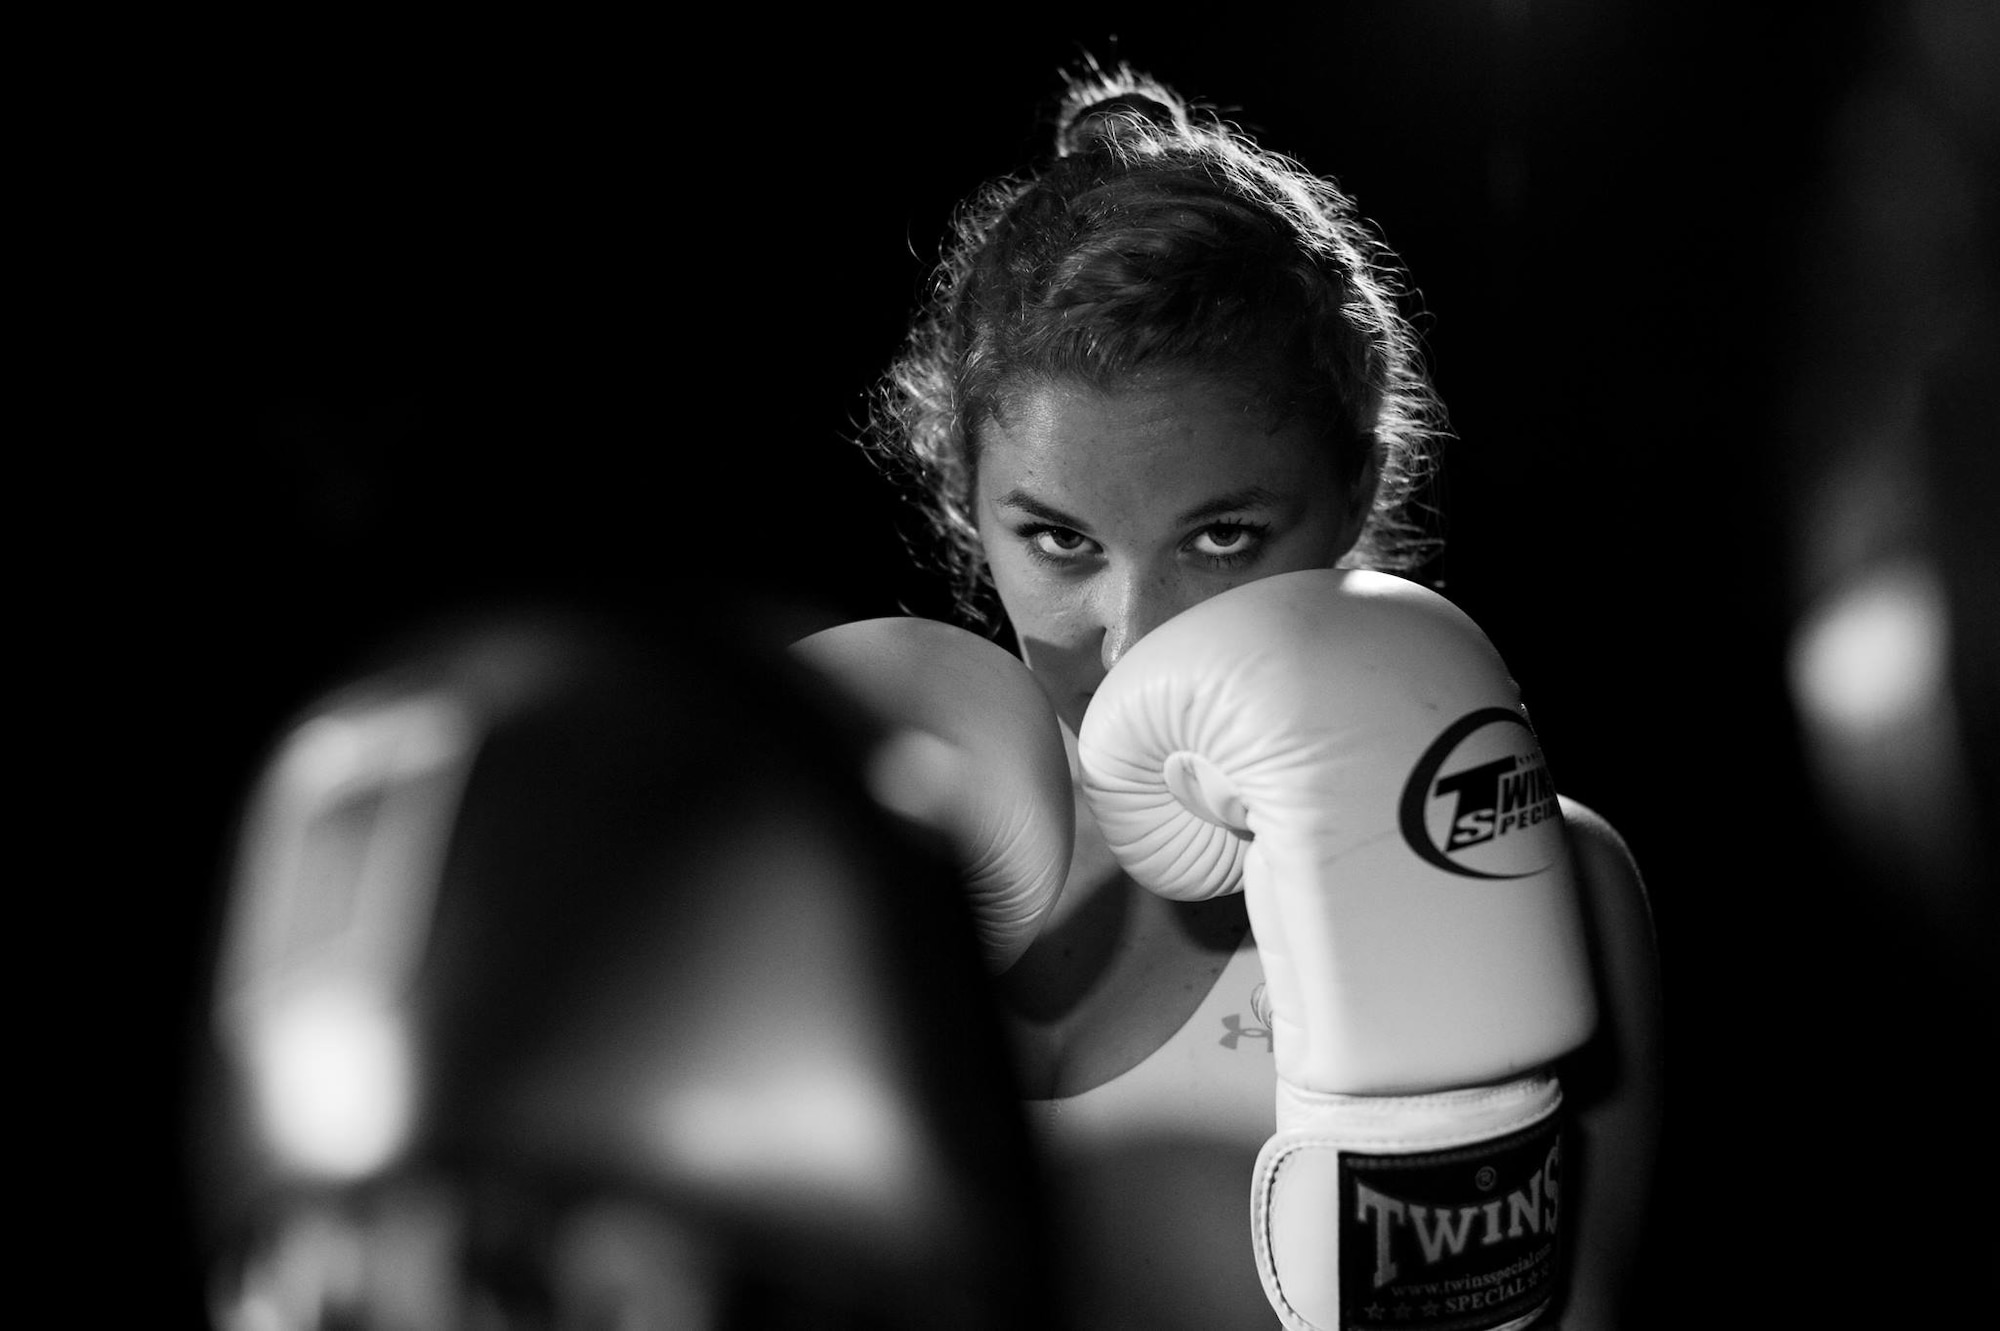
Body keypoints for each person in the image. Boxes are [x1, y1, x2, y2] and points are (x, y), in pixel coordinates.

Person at [852, 62, 1664, 1329]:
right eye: (1059, 541)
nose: (1136, 631)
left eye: (1220, 534)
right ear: (968, 507)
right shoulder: (884, 827)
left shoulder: (1520, 864)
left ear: (1352, 485)